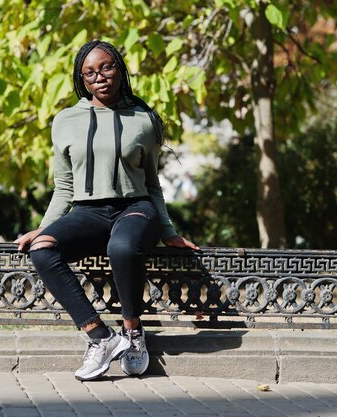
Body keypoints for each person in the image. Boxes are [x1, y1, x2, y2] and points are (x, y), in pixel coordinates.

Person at [15, 40, 199, 381]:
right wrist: (44, 229)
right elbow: (65, 187)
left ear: (119, 69)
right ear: (81, 80)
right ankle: (101, 337)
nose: (99, 77)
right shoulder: (65, 121)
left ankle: (132, 332)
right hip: (88, 211)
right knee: (42, 250)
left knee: (122, 247)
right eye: (89, 73)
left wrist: (169, 232)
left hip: (135, 208)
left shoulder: (144, 119)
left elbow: (153, 184)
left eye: (106, 67)